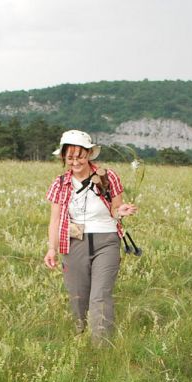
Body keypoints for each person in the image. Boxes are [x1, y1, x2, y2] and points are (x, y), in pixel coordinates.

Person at [44, 130, 137, 342]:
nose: (75, 162)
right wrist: (52, 248)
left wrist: (120, 211)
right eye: (70, 157)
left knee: (100, 296)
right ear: (64, 158)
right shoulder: (60, 183)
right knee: (78, 298)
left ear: (88, 154)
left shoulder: (107, 176)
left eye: (80, 156)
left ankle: (101, 347)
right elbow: (55, 219)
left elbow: (115, 208)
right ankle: (80, 337)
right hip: (74, 242)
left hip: (107, 241)